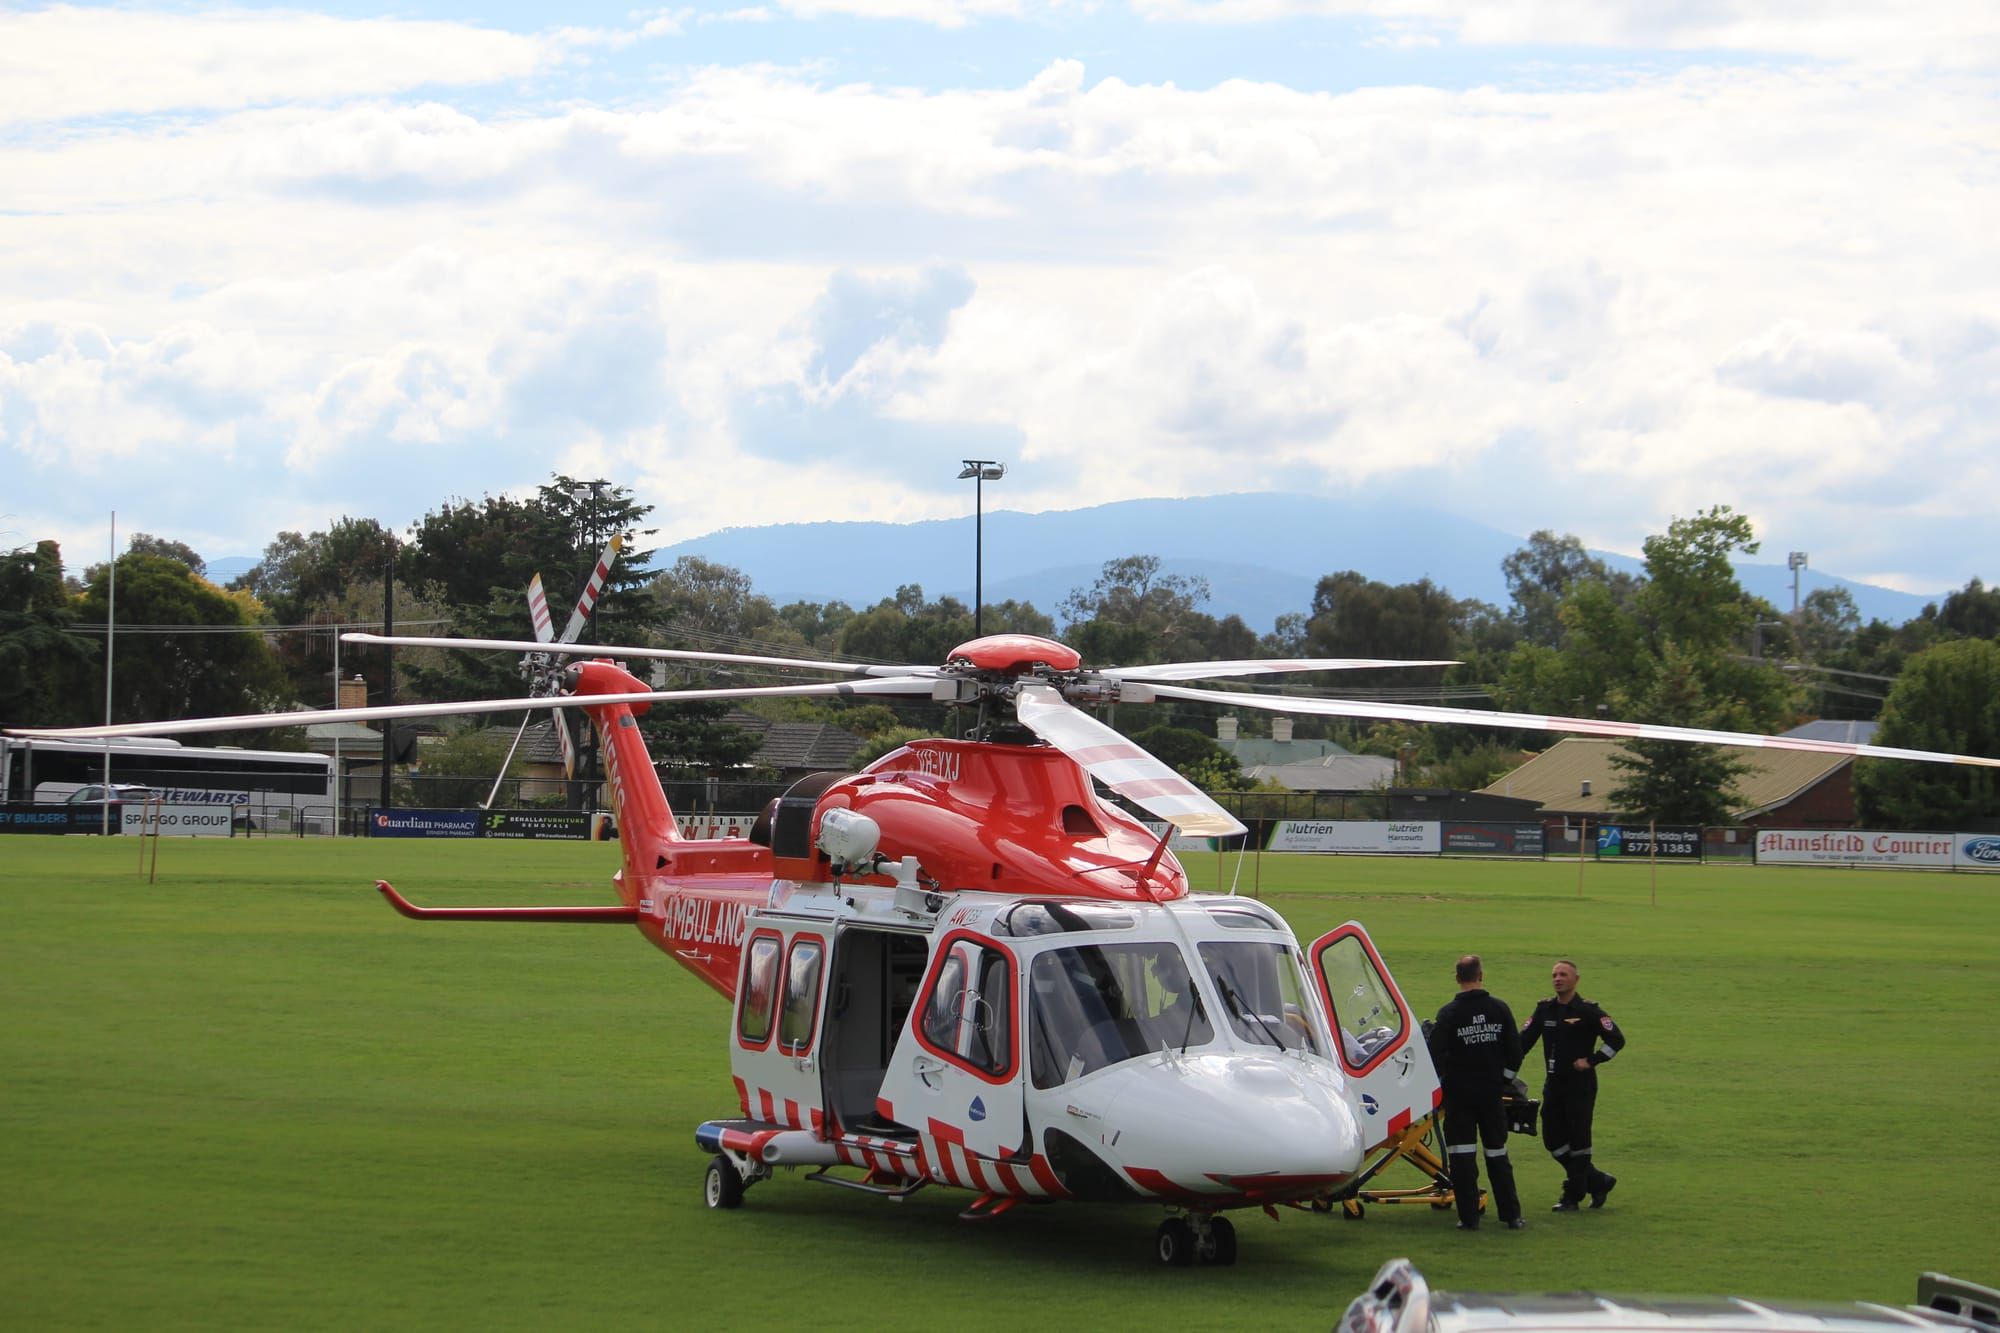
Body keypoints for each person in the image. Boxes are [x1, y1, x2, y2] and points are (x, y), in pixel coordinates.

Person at [1520, 958, 1627, 1212]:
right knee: (1552, 1139)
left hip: (1580, 1086)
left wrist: (1592, 1060)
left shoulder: (1588, 1011)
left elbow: (1616, 1040)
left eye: (1563, 975)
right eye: (1555, 975)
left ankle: (1573, 1196)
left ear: (1576, 980)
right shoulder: (1544, 1009)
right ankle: (1597, 1181)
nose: (1558, 979)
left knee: (1579, 1141)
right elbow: (1523, 1042)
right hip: (1553, 1084)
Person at [1427, 954, 1525, 1231]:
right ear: (1481, 975)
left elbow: (1435, 1055)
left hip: (1459, 1097)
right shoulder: (1499, 1009)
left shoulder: (1448, 1013)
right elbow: (1514, 1052)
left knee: (1462, 1158)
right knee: (1498, 1154)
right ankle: (1511, 1216)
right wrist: (1503, 1081)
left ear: (1458, 978)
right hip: (1491, 1095)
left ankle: (1469, 1218)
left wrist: (1442, 1086)